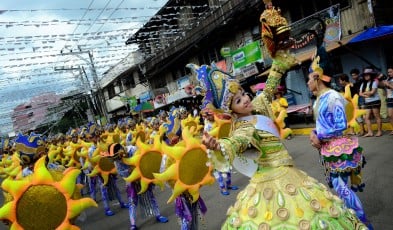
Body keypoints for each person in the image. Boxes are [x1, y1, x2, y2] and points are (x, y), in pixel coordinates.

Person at [192, 52, 368, 229]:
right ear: (232, 111)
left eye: (244, 94)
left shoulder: (257, 107)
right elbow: (238, 141)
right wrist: (219, 145)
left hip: (289, 171)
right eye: (238, 101)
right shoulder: (243, 127)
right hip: (269, 179)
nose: (245, 100)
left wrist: (278, 65)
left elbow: (268, 90)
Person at [307, 55, 372, 227]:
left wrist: (318, 136)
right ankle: (354, 218)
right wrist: (314, 133)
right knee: (338, 187)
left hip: (339, 149)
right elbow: (321, 125)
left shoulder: (333, 97)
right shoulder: (318, 101)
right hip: (328, 149)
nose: (307, 83)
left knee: (340, 186)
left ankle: (362, 221)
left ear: (317, 78)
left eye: (308, 79)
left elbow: (341, 124)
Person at [202, 108, 238, 196]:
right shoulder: (207, 126)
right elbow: (208, 138)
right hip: (213, 151)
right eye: (208, 115)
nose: (210, 116)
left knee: (228, 165)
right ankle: (222, 187)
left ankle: (229, 184)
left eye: (211, 114)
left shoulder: (218, 120)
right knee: (218, 169)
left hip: (222, 147)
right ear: (206, 117)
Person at [359, 67, 383, 137]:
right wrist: (367, 94)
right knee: (366, 117)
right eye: (365, 75)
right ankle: (370, 132)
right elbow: (360, 93)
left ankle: (379, 131)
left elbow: (372, 92)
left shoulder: (374, 82)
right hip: (367, 102)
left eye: (367, 75)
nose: (366, 76)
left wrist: (365, 93)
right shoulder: (363, 83)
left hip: (375, 101)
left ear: (371, 75)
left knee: (377, 116)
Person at [383, 66, 393, 135]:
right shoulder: (388, 79)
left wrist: (388, 85)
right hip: (389, 99)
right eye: (388, 72)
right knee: (390, 115)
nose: (389, 73)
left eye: (390, 72)